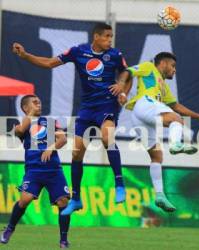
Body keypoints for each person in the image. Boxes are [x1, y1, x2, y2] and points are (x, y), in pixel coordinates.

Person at [12, 22, 128, 215]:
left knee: (108, 138)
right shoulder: (78, 51)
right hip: (87, 108)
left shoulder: (115, 55)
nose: (110, 40)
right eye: (107, 36)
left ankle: (119, 184)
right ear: (96, 37)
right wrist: (25, 55)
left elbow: (126, 71)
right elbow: (49, 63)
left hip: (107, 105)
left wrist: (121, 85)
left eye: (111, 36)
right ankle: (76, 198)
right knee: (76, 153)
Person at [117, 52, 199, 212]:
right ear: (163, 63)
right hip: (145, 103)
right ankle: (175, 144)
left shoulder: (163, 86)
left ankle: (160, 195)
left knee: (156, 156)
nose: (174, 70)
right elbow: (128, 71)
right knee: (176, 120)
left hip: (138, 116)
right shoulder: (149, 67)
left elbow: (175, 105)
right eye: (173, 66)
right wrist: (121, 90)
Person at [0, 95, 70, 248]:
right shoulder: (22, 126)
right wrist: (29, 116)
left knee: (63, 201)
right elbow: (19, 131)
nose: (39, 104)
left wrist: (50, 148)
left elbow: (63, 139)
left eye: (39, 101)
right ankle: (9, 230)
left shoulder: (49, 122)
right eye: (35, 102)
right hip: (34, 171)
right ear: (25, 108)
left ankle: (63, 240)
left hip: (53, 170)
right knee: (25, 200)